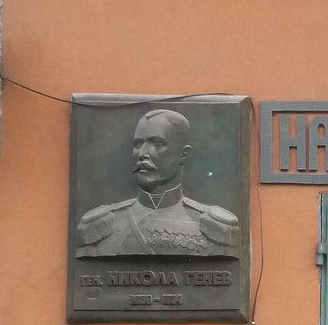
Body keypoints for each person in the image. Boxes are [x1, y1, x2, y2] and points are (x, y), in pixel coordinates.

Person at [75, 109, 240, 257]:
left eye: (157, 143)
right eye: (138, 144)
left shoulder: (215, 230)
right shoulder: (101, 228)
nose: (142, 153)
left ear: (183, 154)